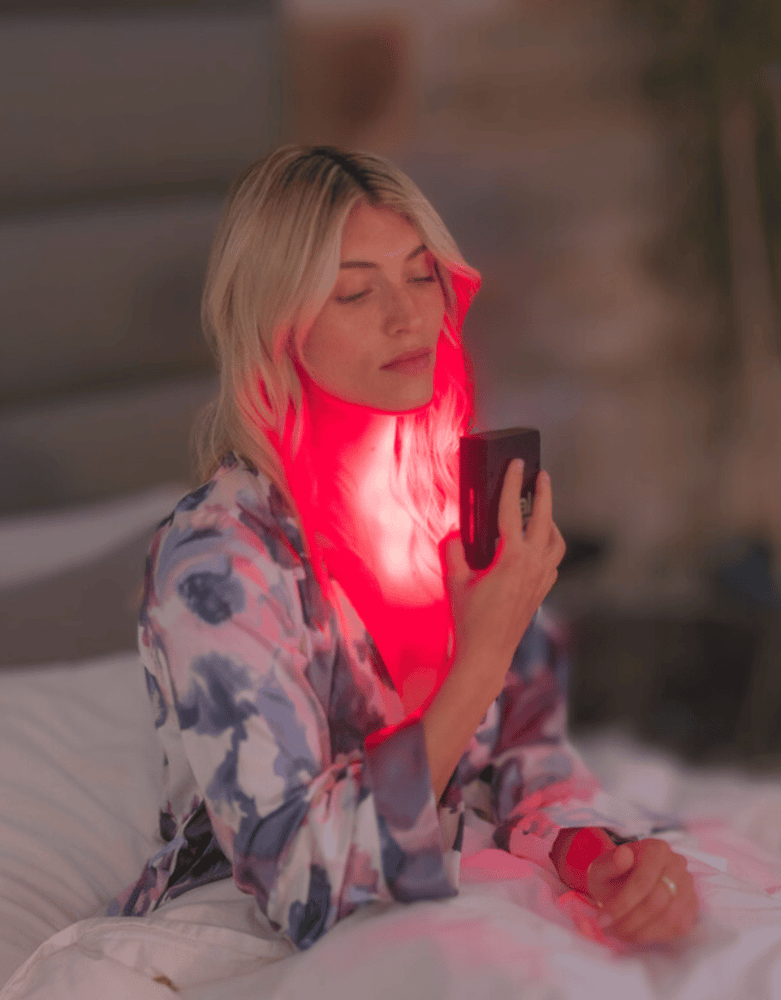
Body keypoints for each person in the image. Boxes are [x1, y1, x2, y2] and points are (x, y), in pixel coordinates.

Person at [107, 144, 699, 949]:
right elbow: (299, 882)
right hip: (249, 941)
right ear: (277, 327)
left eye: (422, 276)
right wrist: (479, 660)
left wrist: (593, 857)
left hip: (458, 888)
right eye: (355, 291)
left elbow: (528, 755)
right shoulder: (218, 562)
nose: (407, 315)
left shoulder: (452, 512)